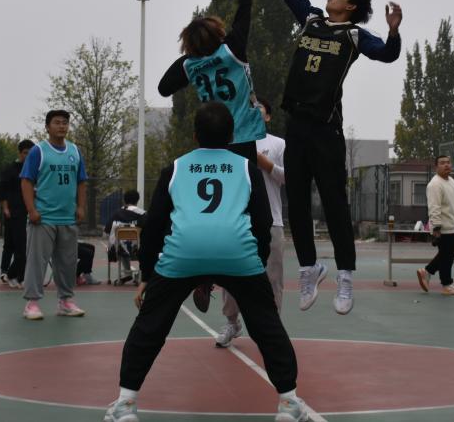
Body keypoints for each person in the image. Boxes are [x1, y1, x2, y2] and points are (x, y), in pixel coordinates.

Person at [103, 103, 308, 422]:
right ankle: (289, 403)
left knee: (150, 326)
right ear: (232, 136)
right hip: (237, 253)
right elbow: (263, 221)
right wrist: (256, 262)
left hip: (183, 253)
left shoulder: (174, 169)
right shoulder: (247, 168)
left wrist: (146, 275)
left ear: (195, 135)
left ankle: (125, 404)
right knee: (267, 325)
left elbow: (154, 225)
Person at [257, 0, 402, 315]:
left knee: (335, 203)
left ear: (350, 6)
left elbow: (387, 55)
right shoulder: (310, 20)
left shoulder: (354, 35)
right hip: (297, 125)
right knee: (297, 202)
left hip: (326, 129)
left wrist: (393, 30)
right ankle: (309, 269)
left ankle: (345, 276)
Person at [158, 0, 264, 311]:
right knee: (247, 210)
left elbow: (163, 87)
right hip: (243, 138)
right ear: (219, 34)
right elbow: (246, 5)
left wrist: (190, 57)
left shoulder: (190, 65)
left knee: (210, 211)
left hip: (210, 144)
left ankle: (204, 276)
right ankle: (245, 271)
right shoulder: (232, 49)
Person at [217, 98, 287, 347]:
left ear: (267, 117)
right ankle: (231, 322)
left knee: (272, 277)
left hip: (272, 220)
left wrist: (263, 162)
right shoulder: (233, 144)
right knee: (230, 274)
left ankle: (273, 325)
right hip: (237, 220)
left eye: (260, 109)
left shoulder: (278, 144)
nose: (254, 112)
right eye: (250, 109)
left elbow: (288, 177)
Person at [20, 110, 88, 319]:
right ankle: (32, 304)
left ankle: (65, 301)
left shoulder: (75, 151)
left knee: (68, 263)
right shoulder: (38, 151)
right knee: (36, 263)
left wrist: (81, 207)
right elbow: (26, 181)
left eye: (65, 123)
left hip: (68, 217)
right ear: (47, 127)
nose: (62, 126)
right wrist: (31, 210)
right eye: (57, 122)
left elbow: (81, 182)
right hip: (43, 218)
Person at [417, 155, 454, 296]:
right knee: (447, 256)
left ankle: (426, 272)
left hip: (453, 226)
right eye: (442, 163)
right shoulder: (434, 184)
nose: (446, 165)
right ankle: (447, 284)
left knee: (448, 254)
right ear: (436, 167)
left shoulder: (452, 181)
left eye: (448, 162)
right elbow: (434, 207)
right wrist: (437, 227)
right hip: (443, 228)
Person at [0, 139, 34, 289]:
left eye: (31, 153)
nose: (28, 156)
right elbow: (2, 191)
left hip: (29, 211)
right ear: (20, 153)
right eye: (25, 153)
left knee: (23, 246)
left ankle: (16, 276)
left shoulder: (34, 169)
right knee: (14, 244)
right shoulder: (10, 169)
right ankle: (11, 274)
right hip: (14, 212)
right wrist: (5, 208)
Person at [105, 190, 145, 284]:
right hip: (138, 249)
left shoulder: (116, 214)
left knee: (122, 243)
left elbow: (107, 231)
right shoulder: (143, 214)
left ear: (124, 200)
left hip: (117, 250)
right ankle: (141, 274)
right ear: (137, 200)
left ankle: (127, 273)